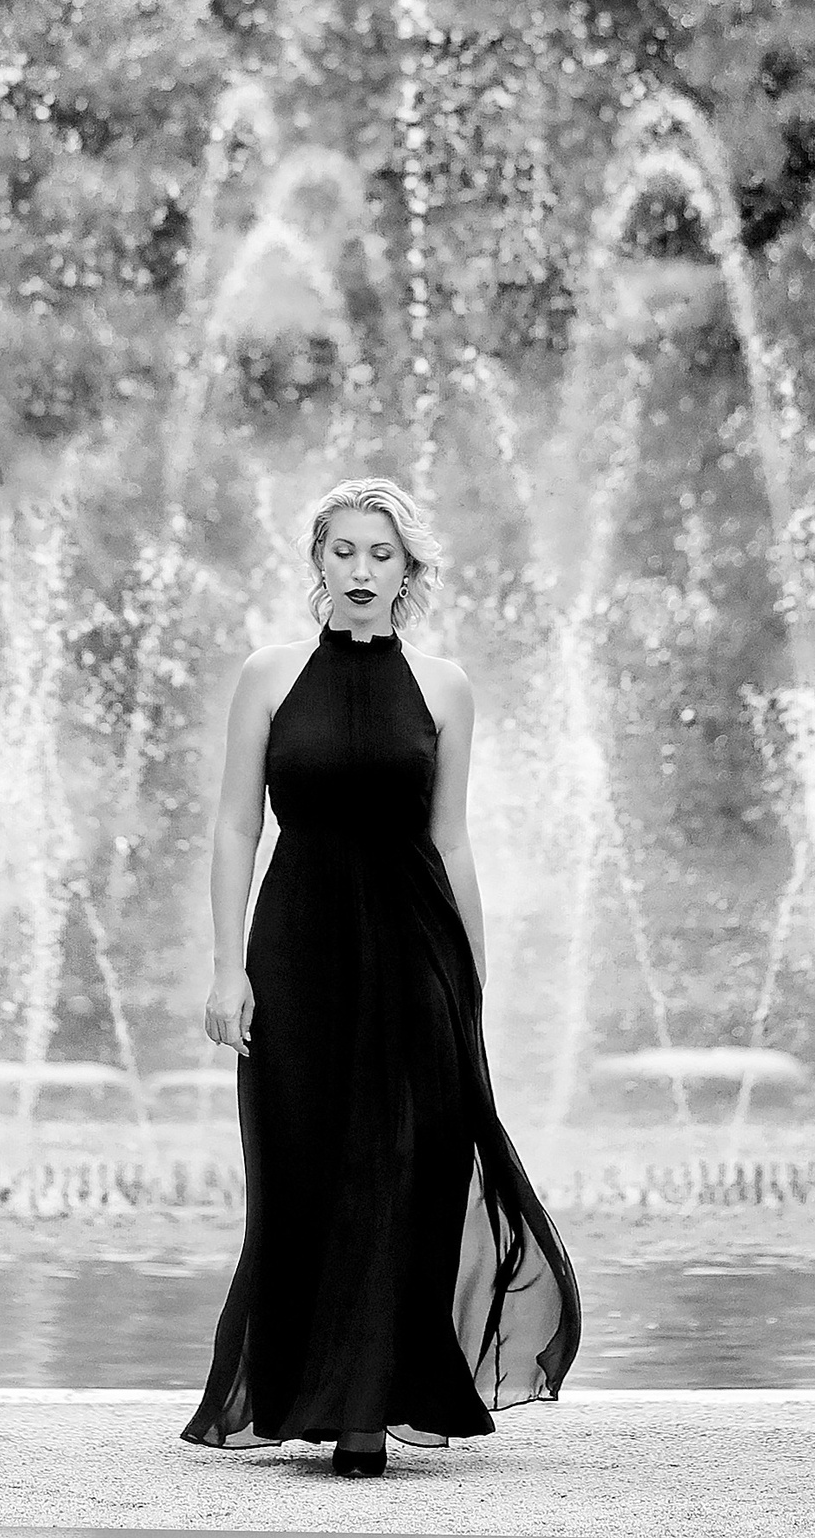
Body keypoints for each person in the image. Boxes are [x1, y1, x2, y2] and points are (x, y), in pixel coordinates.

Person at [180, 476, 580, 1474]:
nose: (361, 570)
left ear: (408, 570)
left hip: (415, 952)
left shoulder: (445, 688)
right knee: (302, 1166)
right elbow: (234, 827)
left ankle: (372, 1404)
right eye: (344, 550)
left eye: (382, 553)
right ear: (318, 560)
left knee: (407, 1170)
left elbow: (453, 843)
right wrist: (227, 969)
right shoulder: (268, 676)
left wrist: (471, 981)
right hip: (295, 952)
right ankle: (309, 1391)